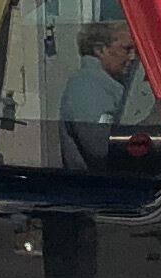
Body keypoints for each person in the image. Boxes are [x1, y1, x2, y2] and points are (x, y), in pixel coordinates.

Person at [60, 21, 149, 171]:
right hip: (96, 187)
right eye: (127, 49)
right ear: (100, 50)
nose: (133, 57)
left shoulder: (108, 85)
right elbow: (103, 148)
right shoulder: (86, 87)